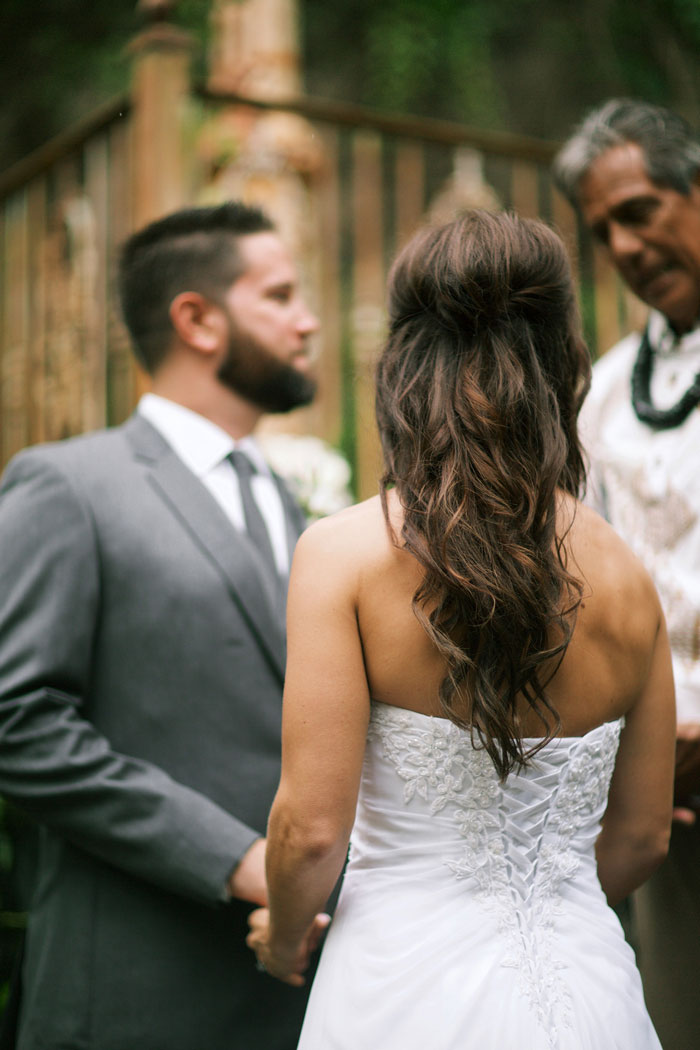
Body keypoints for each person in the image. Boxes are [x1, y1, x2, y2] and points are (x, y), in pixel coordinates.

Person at [245, 210, 675, 1048]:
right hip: (591, 992)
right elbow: (641, 836)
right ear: (562, 364)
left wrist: (283, 937)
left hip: (400, 988)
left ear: (404, 366)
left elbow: (311, 830)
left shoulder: (344, 556)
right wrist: (541, 911)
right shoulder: (628, 576)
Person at [0, 201, 319, 1050]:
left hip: (295, 994)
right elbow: (16, 723)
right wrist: (236, 859)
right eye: (281, 295)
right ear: (197, 319)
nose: (309, 320)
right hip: (136, 994)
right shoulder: (69, 486)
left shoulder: (289, 503)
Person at [553, 98, 700, 1050]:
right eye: (603, 229)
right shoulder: (603, 393)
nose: (625, 243)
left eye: (640, 208)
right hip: (665, 787)